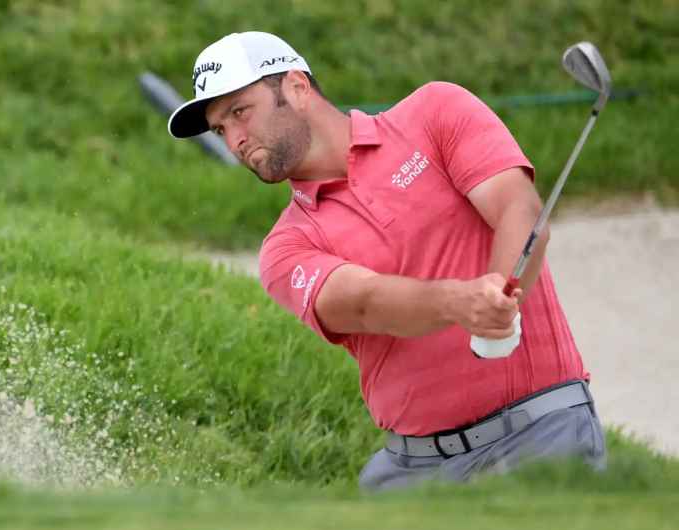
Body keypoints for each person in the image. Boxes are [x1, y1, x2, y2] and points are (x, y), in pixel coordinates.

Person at [168, 31, 606, 491]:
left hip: (540, 435)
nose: (234, 140)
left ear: (297, 88)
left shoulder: (435, 113)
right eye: (221, 129)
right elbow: (362, 303)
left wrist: (498, 291)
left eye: (240, 112)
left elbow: (518, 209)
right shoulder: (285, 248)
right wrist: (459, 302)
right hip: (413, 471)